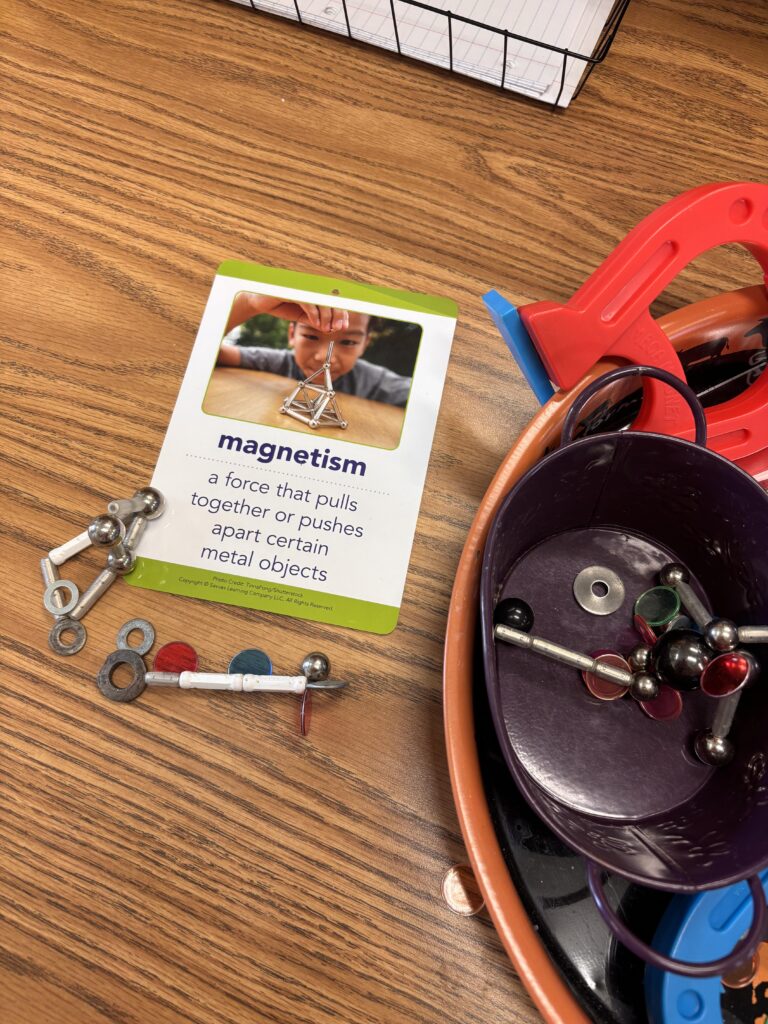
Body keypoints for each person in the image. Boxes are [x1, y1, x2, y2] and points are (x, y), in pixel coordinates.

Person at [217, 293, 411, 407]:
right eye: (311, 336)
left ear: (365, 344)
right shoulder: (277, 362)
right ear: (292, 335)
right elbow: (213, 353)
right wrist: (248, 303)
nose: (325, 358)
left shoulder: (374, 382)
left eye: (348, 342)